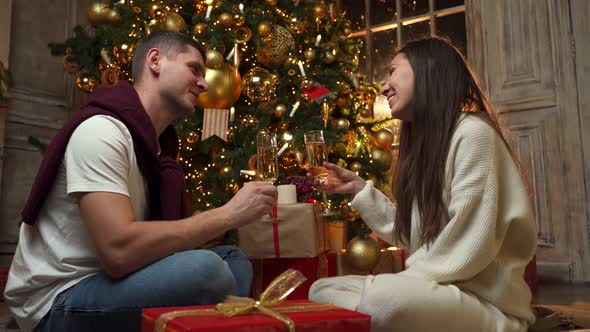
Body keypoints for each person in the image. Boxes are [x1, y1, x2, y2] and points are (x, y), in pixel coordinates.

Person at [4, 30, 278, 332]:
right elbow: (118, 253)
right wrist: (228, 215)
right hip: (58, 299)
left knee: (232, 258)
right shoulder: (102, 131)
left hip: (113, 280)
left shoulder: (158, 151)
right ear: (156, 61)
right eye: (194, 69)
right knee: (208, 271)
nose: (204, 84)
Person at [308, 36, 537, 332]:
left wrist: (398, 284)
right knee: (321, 291)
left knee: (385, 300)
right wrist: (358, 190)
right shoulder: (428, 148)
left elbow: (469, 243)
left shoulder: (474, 135)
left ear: (427, 71)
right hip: (439, 293)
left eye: (392, 71)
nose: (383, 87)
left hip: (487, 304)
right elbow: (412, 233)